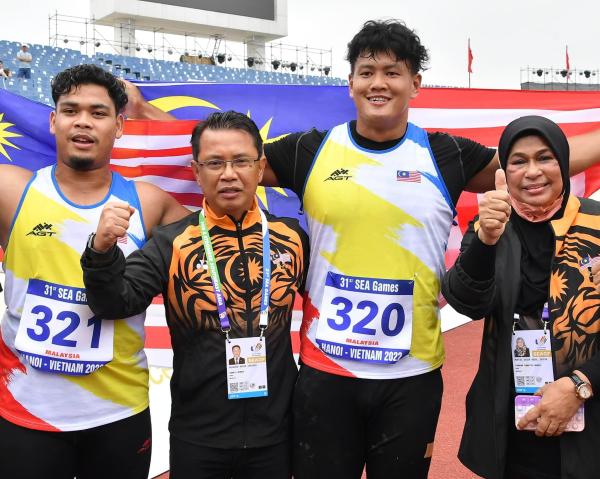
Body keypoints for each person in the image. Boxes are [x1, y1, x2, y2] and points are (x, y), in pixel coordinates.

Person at [257, 20, 600, 479]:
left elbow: (533, 162)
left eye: (392, 72)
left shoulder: (445, 155)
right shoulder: (310, 150)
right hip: (326, 371)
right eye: (366, 72)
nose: (378, 83)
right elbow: (231, 167)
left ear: (415, 83)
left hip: (411, 376)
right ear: (350, 82)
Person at [81, 111, 308, 479]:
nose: (229, 174)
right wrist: (101, 251)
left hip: (276, 434)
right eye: (215, 163)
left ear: (260, 167)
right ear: (196, 171)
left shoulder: (293, 237)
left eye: (241, 161)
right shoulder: (172, 242)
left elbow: (327, 295)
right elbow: (114, 302)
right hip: (198, 436)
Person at [0, 64, 188, 479]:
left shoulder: (149, 203)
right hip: (25, 411)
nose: (83, 121)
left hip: (118, 413)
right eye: (71, 110)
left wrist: (148, 112)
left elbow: (219, 230)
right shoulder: (11, 190)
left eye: (98, 113)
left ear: (119, 126)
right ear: (54, 121)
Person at [442, 115, 600, 479]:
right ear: (504, 172)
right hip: (513, 419)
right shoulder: (492, 224)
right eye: (518, 161)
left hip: (591, 418)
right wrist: (486, 240)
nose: (532, 172)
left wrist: (579, 384)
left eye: (544, 158)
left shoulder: (595, 224)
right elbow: (466, 302)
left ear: (563, 162)